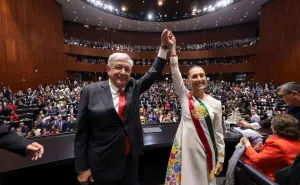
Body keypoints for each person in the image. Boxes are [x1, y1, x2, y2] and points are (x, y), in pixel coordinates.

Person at [75, 29, 173, 185]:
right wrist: (82, 168)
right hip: (102, 165)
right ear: (108, 70)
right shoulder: (90, 91)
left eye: (127, 69)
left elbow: (154, 72)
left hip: (130, 161)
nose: (123, 72)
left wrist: (164, 47)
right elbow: (81, 133)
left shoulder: (133, 87)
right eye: (118, 68)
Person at [165, 32, 225, 185]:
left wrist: (221, 158)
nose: (199, 79)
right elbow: (175, 73)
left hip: (208, 153)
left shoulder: (216, 103)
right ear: (188, 80)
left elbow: (218, 133)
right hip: (187, 152)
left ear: (206, 77)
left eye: (201, 75)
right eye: (194, 76)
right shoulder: (185, 96)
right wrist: (173, 49)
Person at [240, 114, 300, 181]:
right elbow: (276, 156)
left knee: (239, 161)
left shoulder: (276, 144)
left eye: (272, 125)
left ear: (275, 128)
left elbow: (257, 160)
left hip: (270, 178)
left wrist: (247, 145)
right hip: (288, 177)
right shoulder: (296, 140)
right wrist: (263, 149)